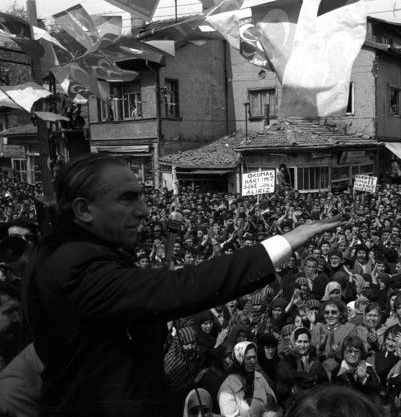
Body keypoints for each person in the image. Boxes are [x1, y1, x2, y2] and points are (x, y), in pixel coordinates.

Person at [22, 154, 342, 416]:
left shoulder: (67, 252)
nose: (144, 210)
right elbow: (186, 286)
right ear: (83, 209)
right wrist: (285, 242)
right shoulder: (74, 266)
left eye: (141, 196)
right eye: (127, 198)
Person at [218, 341, 276, 417]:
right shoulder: (228, 386)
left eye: (254, 357)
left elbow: (272, 402)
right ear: (239, 359)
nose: (252, 361)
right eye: (248, 358)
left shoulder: (258, 377)